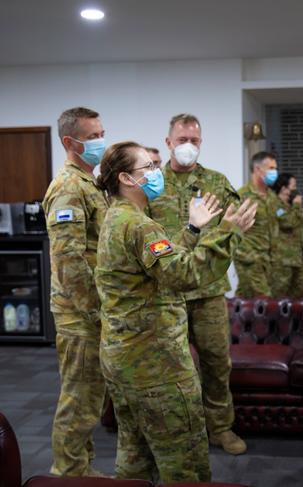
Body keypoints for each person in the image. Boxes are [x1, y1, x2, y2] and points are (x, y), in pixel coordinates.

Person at [95, 142, 257, 482]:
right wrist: (230, 233)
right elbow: (183, 274)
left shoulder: (118, 218)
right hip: (156, 364)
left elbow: (161, 265)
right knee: (184, 460)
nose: (157, 173)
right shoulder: (140, 226)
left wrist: (194, 229)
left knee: (134, 454)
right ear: (126, 178)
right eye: (148, 168)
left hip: (123, 360)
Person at [146, 114, 246, 455]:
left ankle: (221, 428)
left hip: (207, 290)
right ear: (168, 141)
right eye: (182, 139)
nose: (189, 146)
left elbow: (230, 231)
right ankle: (182, 431)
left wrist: (205, 252)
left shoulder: (216, 182)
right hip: (167, 292)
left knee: (217, 361)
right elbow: (147, 238)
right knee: (171, 366)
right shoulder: (152, 184)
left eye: (195, 140)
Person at [42, 106, 109, 477]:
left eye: (102, 133)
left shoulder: (91, 182)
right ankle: (66, 475)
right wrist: (97, 312)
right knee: (78, 400)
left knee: (90, 398)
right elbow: (69, 261)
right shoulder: (68, 187)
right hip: (80, 313)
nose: (101, 141)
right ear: (70, 142)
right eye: (93, 136)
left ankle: (81, 469)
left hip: (92, 310)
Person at [234, 151, 280, 297]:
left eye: (275, 168)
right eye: (271, 168)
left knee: (247, 300)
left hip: (271, 261)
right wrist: (248, 256)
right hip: (250, 259)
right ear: (258, 169)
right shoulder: (242, 196)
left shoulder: (272, 197)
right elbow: (232, 229)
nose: (275, 172)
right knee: (264, 301)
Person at [271, 172, 303, 297]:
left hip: (297, 257)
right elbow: (288, 222)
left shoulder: (290, 205)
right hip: (283, 259)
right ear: (284, 188)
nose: (295, 189)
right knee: (280, 294)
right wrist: (297, 205)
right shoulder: (275, 204)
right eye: (293, 185)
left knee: (296, 293)